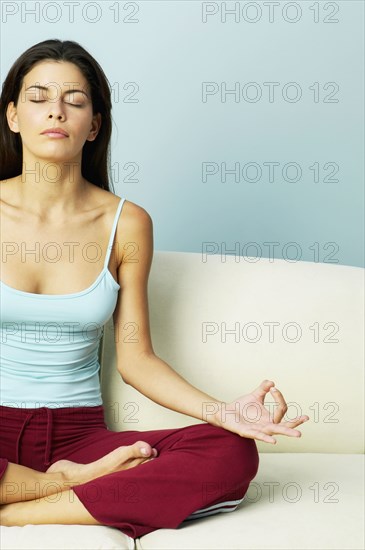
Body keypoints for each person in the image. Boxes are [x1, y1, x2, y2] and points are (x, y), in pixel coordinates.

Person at [0, 39, 309, 538]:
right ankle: (66, 486)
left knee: (229, 451)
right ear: (12, 116)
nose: (56, 111)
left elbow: (136, 358)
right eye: (38, 98)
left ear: (94, 125)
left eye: (75, 101)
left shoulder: (127, 223)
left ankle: (20, 507)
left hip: (80, 439)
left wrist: (224, 412)